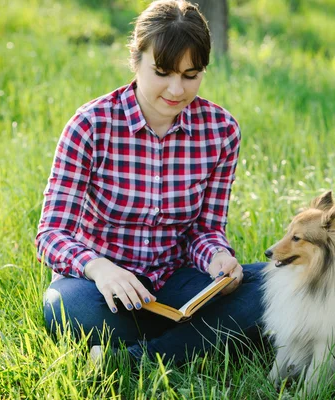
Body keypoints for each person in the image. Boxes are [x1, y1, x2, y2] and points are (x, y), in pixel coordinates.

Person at [37, 0, 265, 368]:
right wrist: (101, 268)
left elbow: (205, 230)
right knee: (65, 305)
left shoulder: (221, 131)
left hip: (179, 284)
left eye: (191, 75)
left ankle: (133, 359)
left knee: (274, 285)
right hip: (108, 293)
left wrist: (219, 258)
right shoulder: (90, 125)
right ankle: (205, 341)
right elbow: (51, 234)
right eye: (162, 71)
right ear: (136, 59)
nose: (176, 90)